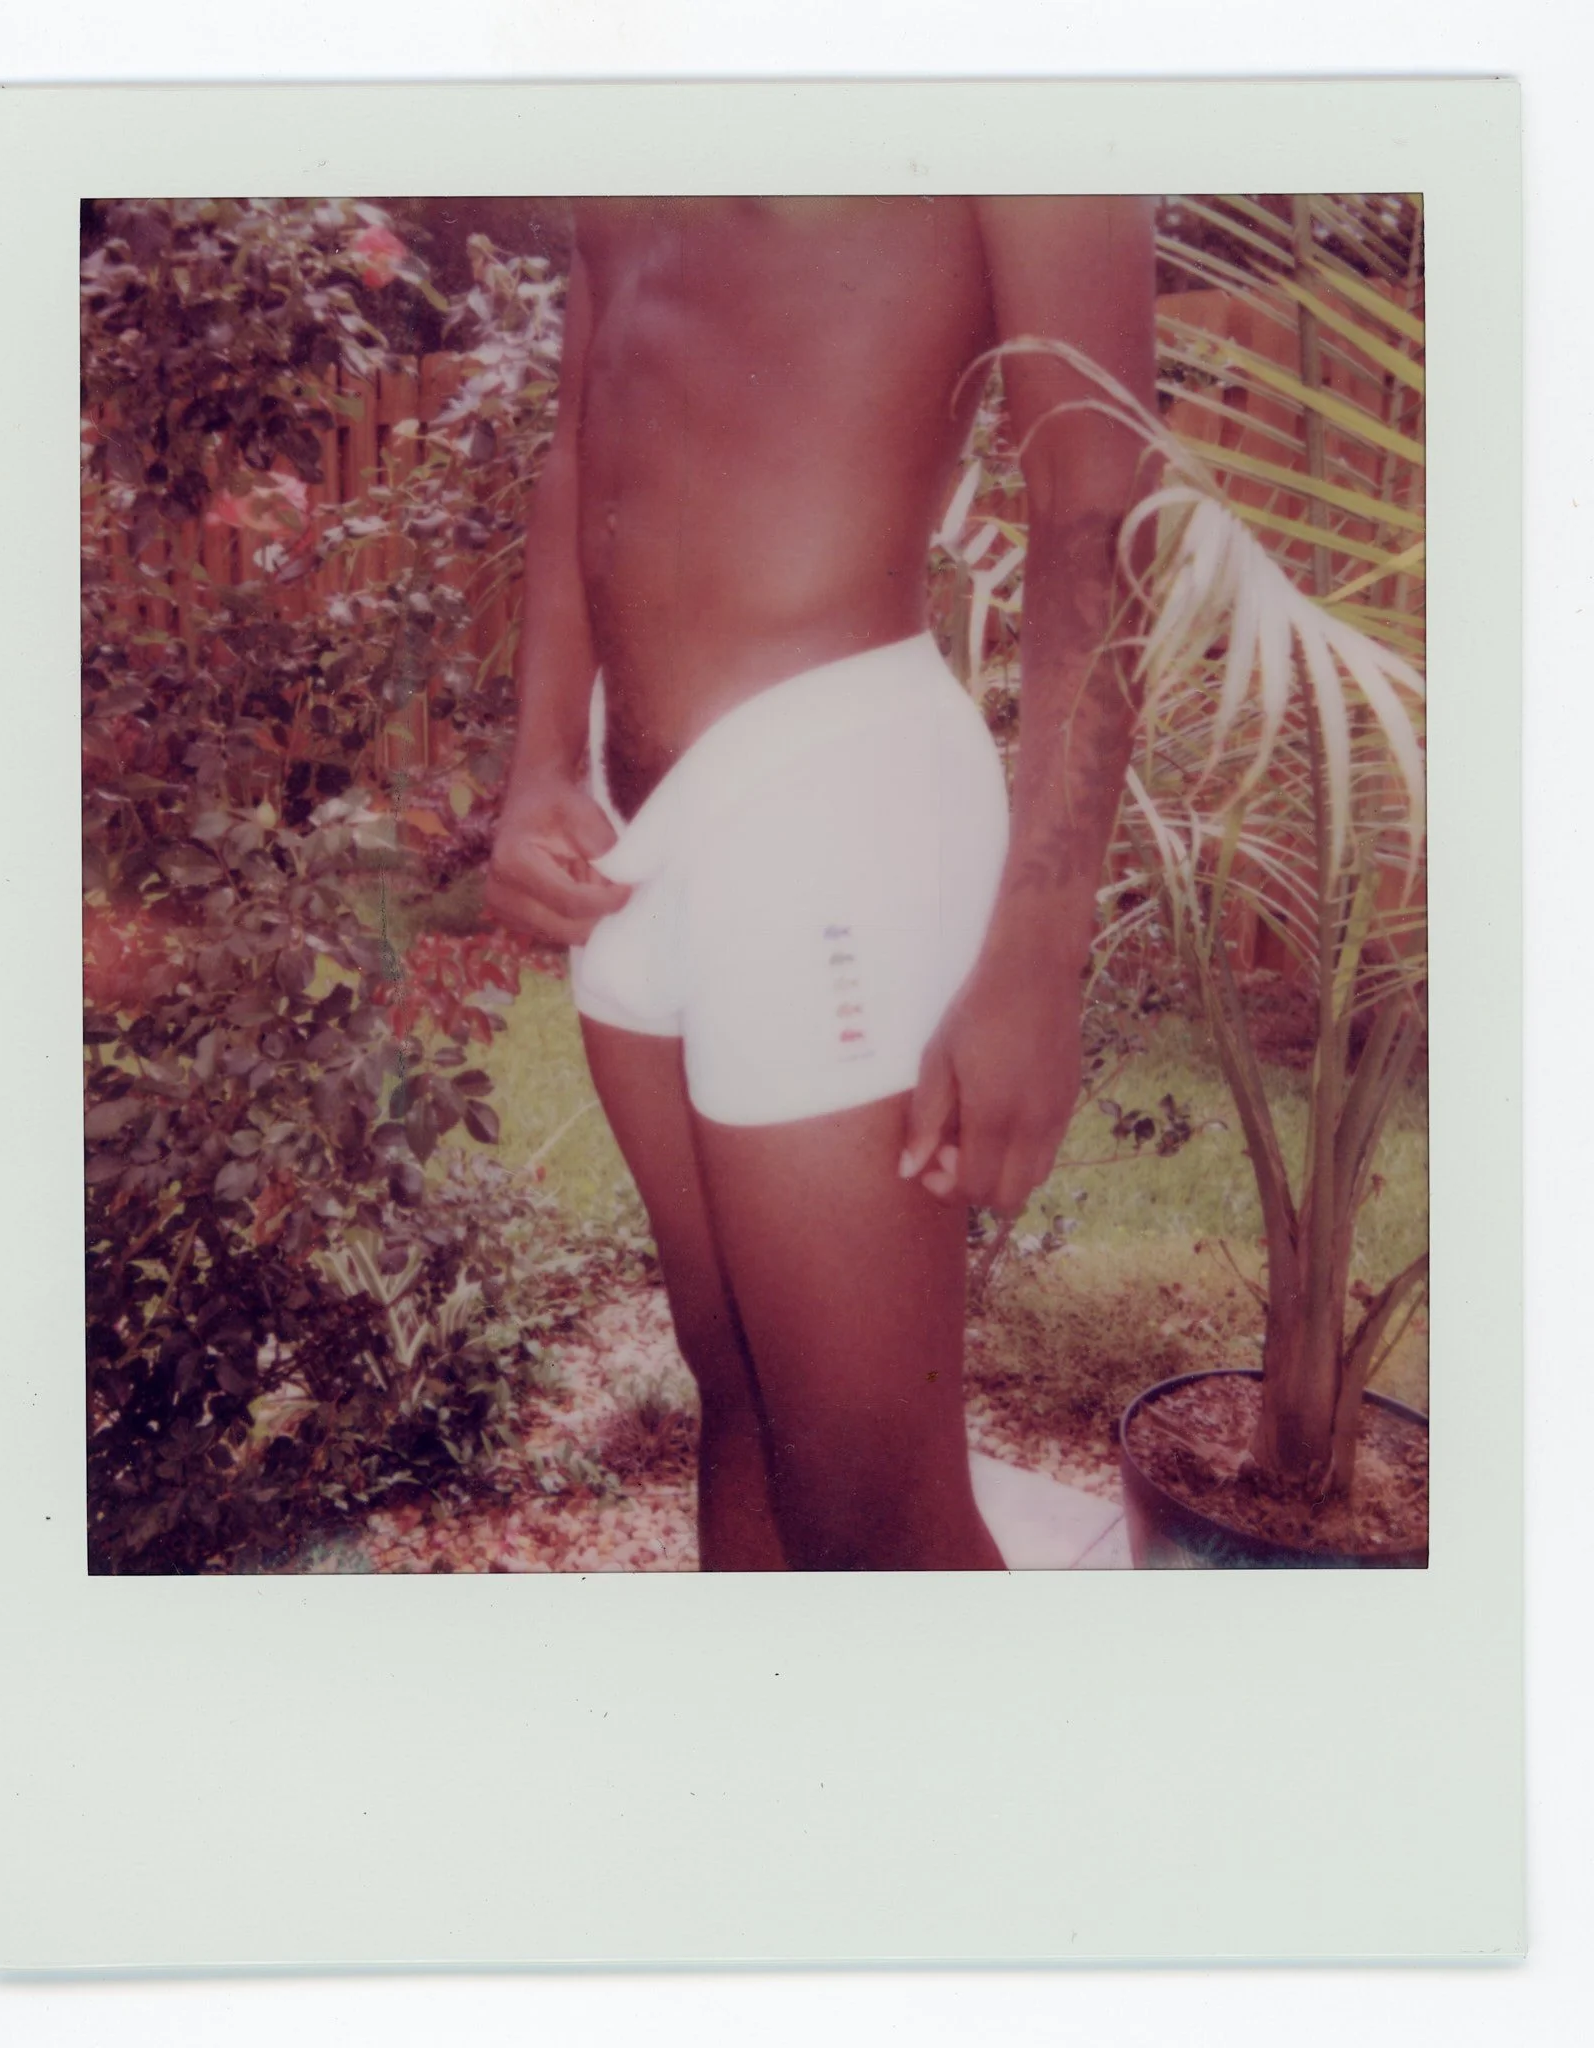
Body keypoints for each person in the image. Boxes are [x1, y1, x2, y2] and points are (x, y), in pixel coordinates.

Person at [484, 197, 1156, 1570]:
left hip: (834, 794)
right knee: (738, 1401)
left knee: (873, 1514)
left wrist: (1038, 954)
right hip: (630, 827)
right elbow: (581, 438)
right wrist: (540, 755)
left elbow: (1097, 502)